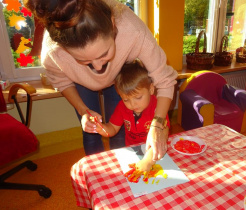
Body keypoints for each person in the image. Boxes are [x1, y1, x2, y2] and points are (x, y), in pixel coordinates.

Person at [24, 0, 177, 160]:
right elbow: (63, 83)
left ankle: (122, 167)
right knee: (90, 132)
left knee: (120, 131)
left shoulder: (133, 31)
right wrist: (83, 111)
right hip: (81, 81)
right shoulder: (52, 55)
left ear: (112, 25)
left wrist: (158, 124)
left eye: (104, 53)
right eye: (84, 61)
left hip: (120, 74)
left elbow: (164, 80)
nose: (98, 68)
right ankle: (100, 174)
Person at [94, 61, 170, 172]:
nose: (132, 104)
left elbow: (162, 134)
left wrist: (148, 161)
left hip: (155, 152)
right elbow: (113, 128)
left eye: (138, 98)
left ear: (151, 89)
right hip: (132, 151)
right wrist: (101, 128)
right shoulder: (121, 107)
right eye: (126, 99)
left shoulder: (159, 108)